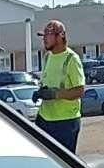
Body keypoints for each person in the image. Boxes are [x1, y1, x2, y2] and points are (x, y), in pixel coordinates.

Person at [34, 19, 86, 152]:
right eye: (43, 36)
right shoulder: (47, 57)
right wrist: (40, 92)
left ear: (60, 35)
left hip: (65, 122)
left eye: (48, 35)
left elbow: (80, 91)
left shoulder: (71, 59)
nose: (44, 39)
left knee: (64, 162)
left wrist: (55, 94)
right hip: (44, 118)